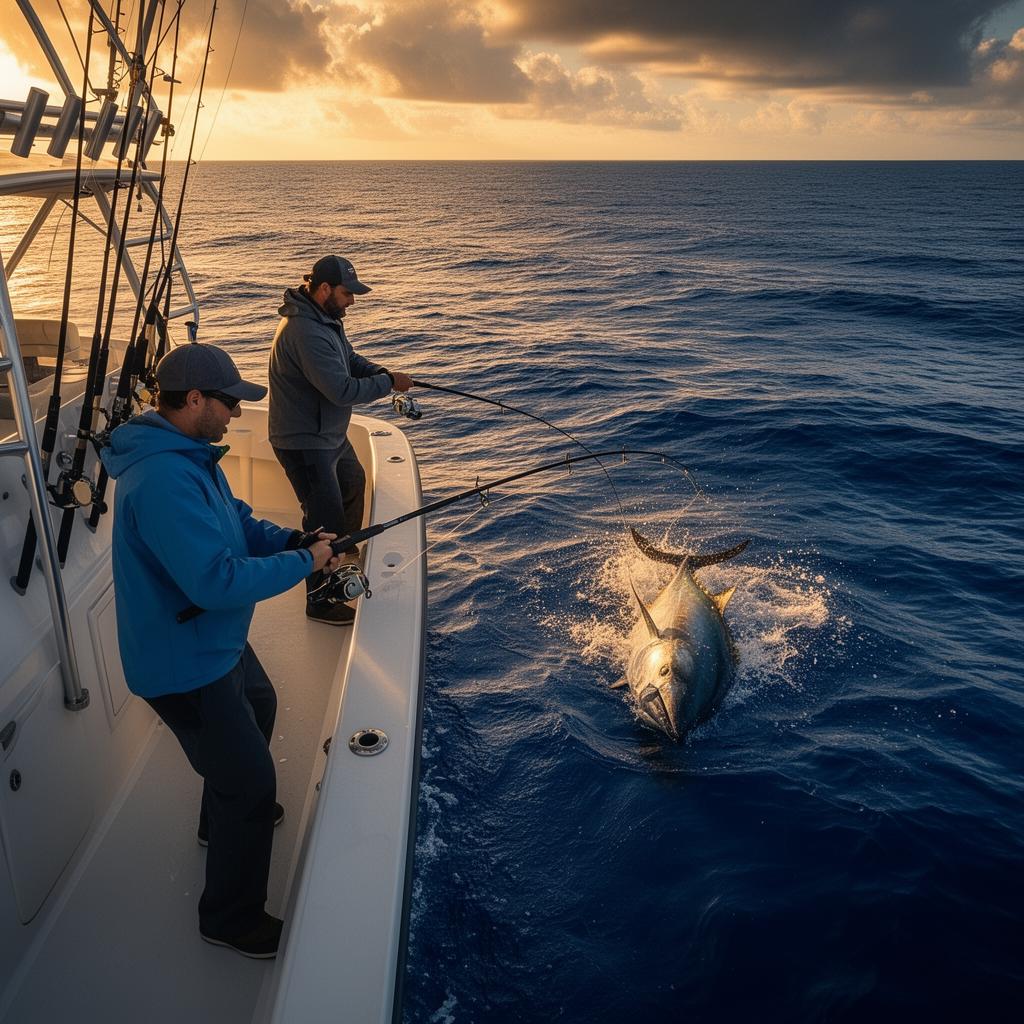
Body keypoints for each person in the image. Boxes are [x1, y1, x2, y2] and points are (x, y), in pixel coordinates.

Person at [100, 342, 343, 959]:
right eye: (230, 403)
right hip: (183, 663)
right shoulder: (162, 480)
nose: (237, 414)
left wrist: (291, 536)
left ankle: (220, 820)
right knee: (252, 783)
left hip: (213, 643)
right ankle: (230, 919)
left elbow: (237, 523)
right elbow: (215, 581)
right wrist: (305, 561)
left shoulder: (190, 458)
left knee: (260, 705)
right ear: (195, 400)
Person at [268, 254, 412, 626]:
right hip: (304, 442)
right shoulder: (305, 331)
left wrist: (380, 371)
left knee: (353, 481)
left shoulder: (325, 320)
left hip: (329, 435)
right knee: (324, 521)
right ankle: (320, 598)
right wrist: (387, 384)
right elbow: (341, 390)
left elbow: (349, 360)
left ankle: (341, 558)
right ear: (325, 289)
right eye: (348, 293)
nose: (353, 300)